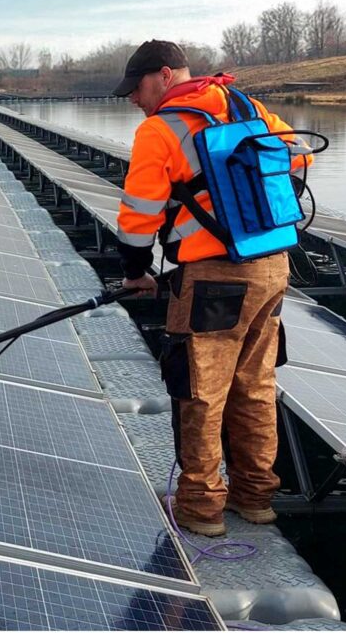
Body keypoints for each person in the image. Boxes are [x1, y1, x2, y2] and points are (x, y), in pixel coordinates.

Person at [112, 40, 312, 537]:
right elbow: (301, 163)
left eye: (136, 89)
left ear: (163, 76)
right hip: (272, 268)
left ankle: (201, 509)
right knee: (256, 386)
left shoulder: (160, 129)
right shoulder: (247, 106)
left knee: (200, 390)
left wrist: (136, 271)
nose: (134, 99)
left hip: (213, 281)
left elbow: (138, 217)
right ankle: (256, 497)